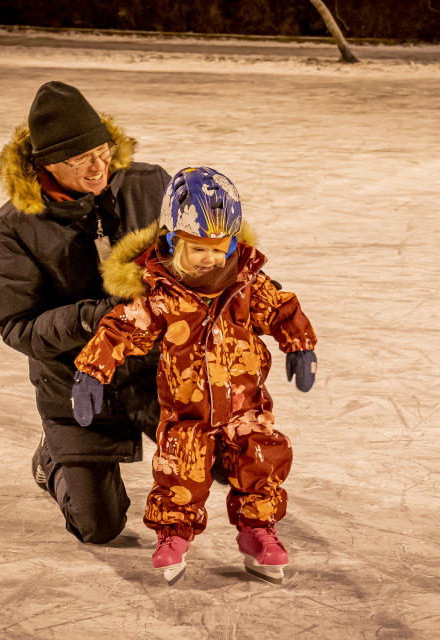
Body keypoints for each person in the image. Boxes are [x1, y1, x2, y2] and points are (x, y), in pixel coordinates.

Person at [70, 167, 318, 584]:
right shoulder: (163, 294)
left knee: (262, 463)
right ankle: (173, 536)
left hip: (246, 409)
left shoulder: (247, 284)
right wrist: (92, 371)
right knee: (180, 472)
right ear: (171, 240)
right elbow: (122, 328)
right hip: (188, 413)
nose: (210, 258)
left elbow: (281, 308)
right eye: (197, 248)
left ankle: (259, 531)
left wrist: (301, 345)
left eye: (220, 247)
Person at [0, 81, 170, 544]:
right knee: (98, 526)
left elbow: (205, 251)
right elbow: (16, 324)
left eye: (103, 150)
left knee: (230, 461)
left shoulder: (151, 184)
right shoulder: (14, 227)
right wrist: (91, 318)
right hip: (76, 378)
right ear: (46, 164)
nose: (97, 166)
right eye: (78, 159)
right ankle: (55, 458)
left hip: (156, 369)